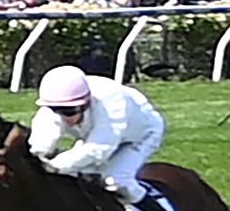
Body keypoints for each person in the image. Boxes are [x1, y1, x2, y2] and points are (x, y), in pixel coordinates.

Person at [29, 65, 166, 202]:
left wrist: (54, 166)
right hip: (96, 136)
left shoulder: (110, 101)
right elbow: (39, 144)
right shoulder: (55, 103)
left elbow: (99, 148)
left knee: (116, 181)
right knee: (75, 177)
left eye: (69, 111)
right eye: (55, 110)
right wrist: (35, 158)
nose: (63, 117)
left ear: (86, 103)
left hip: (141, 136)